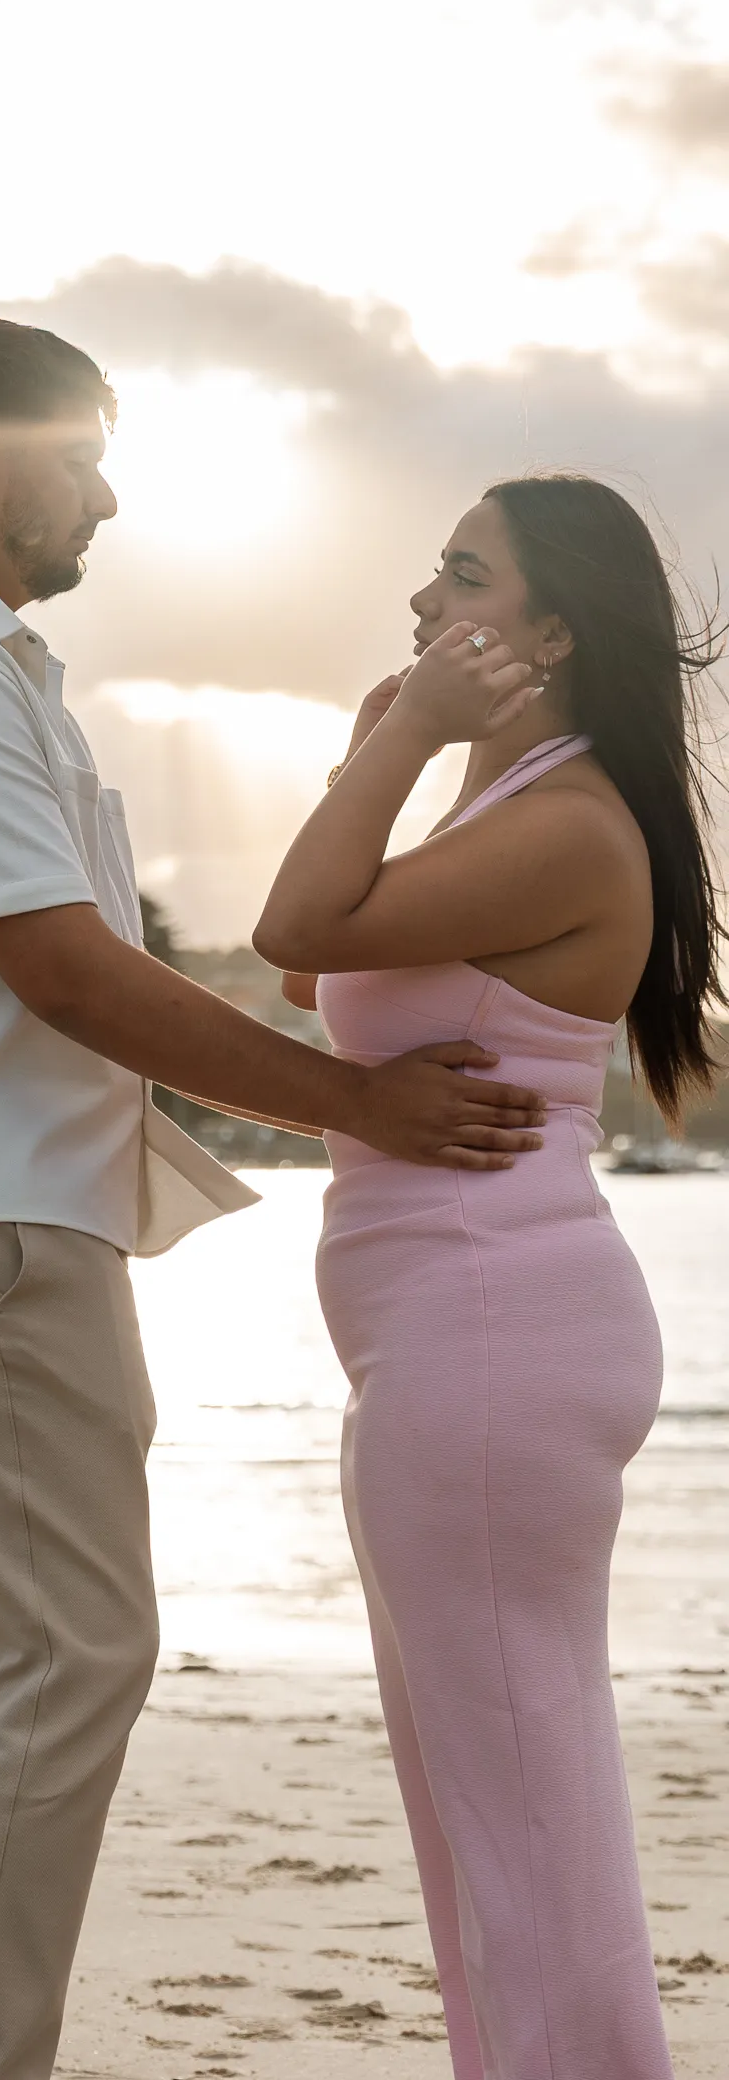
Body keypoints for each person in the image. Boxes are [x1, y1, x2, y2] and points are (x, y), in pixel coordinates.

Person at [0, 314, 548, 2080]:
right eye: (87, 459)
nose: (111, 500)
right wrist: (358, 1104)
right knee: (68, 1656)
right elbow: (68, 975)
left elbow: (81, 964)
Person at [254, 476, 720, 2080]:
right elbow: (327, 968)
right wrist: (409, 738)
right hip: (457, 1335)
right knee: (488, 1809)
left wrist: (393, 740)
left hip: (492, 1333)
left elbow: (285, 923)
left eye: (463, 572)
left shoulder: (571, 826)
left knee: (519, 1810)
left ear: (552, 628)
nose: (421, 596)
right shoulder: (505, 809)